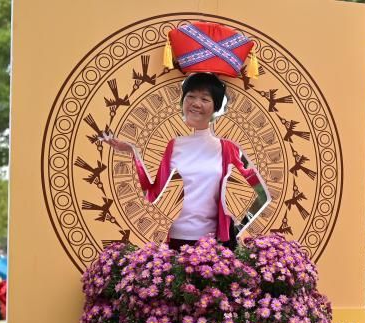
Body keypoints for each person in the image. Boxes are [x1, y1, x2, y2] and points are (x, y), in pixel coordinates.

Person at [105, 72, 265, 250]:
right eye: (191, 96)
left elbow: (256, 188)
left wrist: (236, 229)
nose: (196, 103)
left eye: (205, 99)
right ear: (183, 102)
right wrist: (132, 152)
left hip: (212, 240)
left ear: (215, 107)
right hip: (175, 237)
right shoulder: (172, 145)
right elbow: (152, 191)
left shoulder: (228, 148)